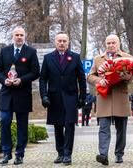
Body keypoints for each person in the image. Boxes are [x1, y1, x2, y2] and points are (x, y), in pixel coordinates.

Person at [87, 34, 133, 165]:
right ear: (105, 44)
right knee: (103, 127)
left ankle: (119, 154)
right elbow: (90, 77)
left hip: (120, 96)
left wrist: (127, 77)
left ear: (119, 43)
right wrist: (99, 80)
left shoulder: (128, 58)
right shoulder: (98, 59)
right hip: (104, 97)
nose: (111, 45)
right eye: (108, 43)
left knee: (121, 129)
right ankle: (103, 155)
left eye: (113, 43)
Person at [0, 26, 40, 165]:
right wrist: (3, 80)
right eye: (17, 35)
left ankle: (20, 154)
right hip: (7, 93)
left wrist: (22, 80)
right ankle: (6, 153)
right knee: (5, 121)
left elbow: (36, 71)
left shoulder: (31, 52)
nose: (19, 37)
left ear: (25, 36)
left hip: (23, 93)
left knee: (22, 125)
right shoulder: (5, 51)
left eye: (22, 35)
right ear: (12, 36)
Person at [39, 31, 86, 165]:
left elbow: (81, 78)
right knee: (58, 126)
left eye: (64, 41)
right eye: (59, 41)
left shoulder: (75, 57)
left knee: (69, 125)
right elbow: (43, 79)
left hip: (71, 97)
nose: (62, 43)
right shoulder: (48, 58)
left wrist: (82, 97)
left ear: (68, 42)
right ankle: (60, 153)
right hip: (54, 97)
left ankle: (67, 154)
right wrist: (44, 96)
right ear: (55, 42)